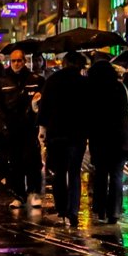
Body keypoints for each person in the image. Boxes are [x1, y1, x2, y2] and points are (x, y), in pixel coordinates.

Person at [38, 51, 91, 226]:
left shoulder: (52, 81)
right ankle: (73, 211)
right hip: (77, 134)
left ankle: (61, 208)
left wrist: (42, 128)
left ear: (64, 63)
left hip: (56, 133)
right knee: (74, 172)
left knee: (59, 172)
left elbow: (44, 107)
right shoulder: (84, 83)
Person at [87, 57, 128, 224]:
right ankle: (114, 211)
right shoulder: (120, 88)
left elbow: (90, 116)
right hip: (119, 138)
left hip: (100, 137)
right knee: (116, 175)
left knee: (100, 173)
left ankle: (100, 209)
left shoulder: (92, 89)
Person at [0, 49, 42, 206]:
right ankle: (19, 194)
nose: (16, 64)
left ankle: (33, 193)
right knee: (15, 162)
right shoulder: (2, 81)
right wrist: (3, 123)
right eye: (13, 61)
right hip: (12, 127)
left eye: (19, 60)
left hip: (30, 126)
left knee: (32, 161)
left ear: (24, 61)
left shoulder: (35, 79)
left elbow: (43, 102)